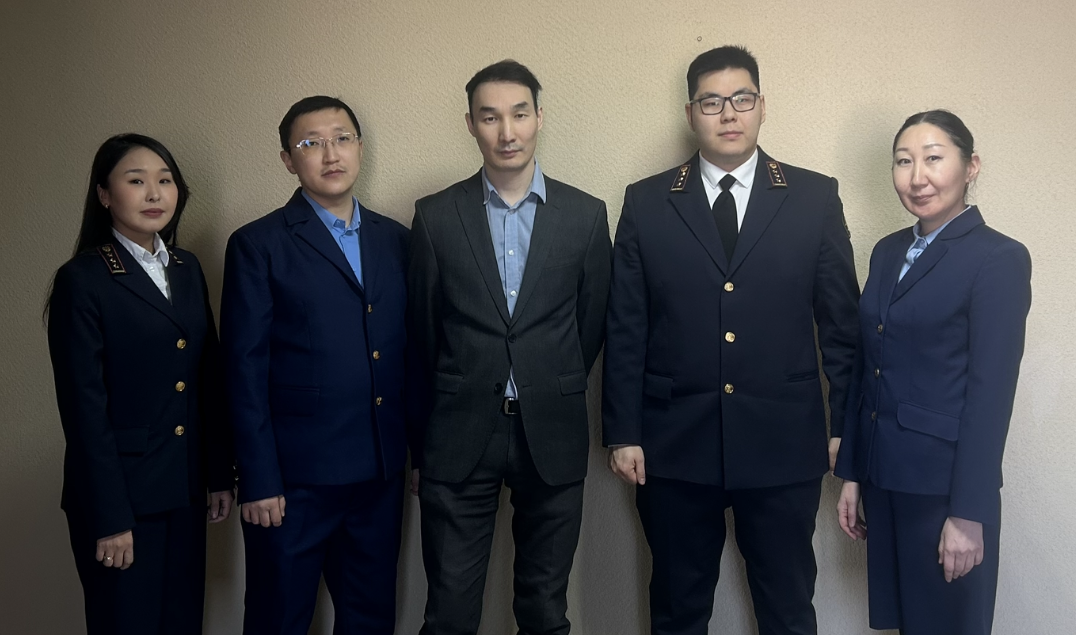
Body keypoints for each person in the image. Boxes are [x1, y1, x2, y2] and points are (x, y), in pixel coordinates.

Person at [602, 46, 860, 635]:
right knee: (677, 610)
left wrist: (844, 425)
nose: (728, 114)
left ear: (762, 106)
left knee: (788, 609)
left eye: (741, 99)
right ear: (690, 113)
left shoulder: (813, 197)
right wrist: (623, 431)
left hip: (783, 440)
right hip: (673, 445)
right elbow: (626, 325)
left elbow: (841, 327)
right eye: (712, 102)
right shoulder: (647, 200)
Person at [408, 59, 612, 635]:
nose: (507, 132)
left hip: (552, 427)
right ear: (470, 124)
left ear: (539, 118)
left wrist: (550, 377)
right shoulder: (434, 216)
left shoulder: (585, 215)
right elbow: (424, 332)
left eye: (519, 114)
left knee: (545, 611)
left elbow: (591, 323)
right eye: (490, 117)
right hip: (458, 431)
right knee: (449, 612)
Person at [835, 110, 1032, 635]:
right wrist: (852, 473)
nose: (917, 177)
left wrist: (968, 513)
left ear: (971, 167)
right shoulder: (887, 252)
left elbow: (991, 397)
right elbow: (866, 367)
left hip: (944, 493)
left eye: (933, 159)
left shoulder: (998, 258)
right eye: (904, 162)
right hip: (884, 480)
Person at [220, 96, 412, 635]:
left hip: (378, 475)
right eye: (311, 143)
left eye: (342, 138)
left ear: (359, 148)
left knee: (370, 619)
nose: (331, 154)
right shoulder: (258, 244)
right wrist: (258, 479)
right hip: (292, 483)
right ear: (288, 159)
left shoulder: (396, 239)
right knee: (278, 618)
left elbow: (411, 353)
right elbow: (243, 370)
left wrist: (416, 453)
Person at [46, 133, 234, 635]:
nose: (154, 194)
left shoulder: (186, 268)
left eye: (165, 181)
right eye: (136, 181)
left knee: (181, 623)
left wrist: (219, 474)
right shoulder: (83, 278)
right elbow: (84, 409)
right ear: (104, 194)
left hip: (184, 488)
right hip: (122, 499)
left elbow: (206, 377)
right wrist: (110, 517)